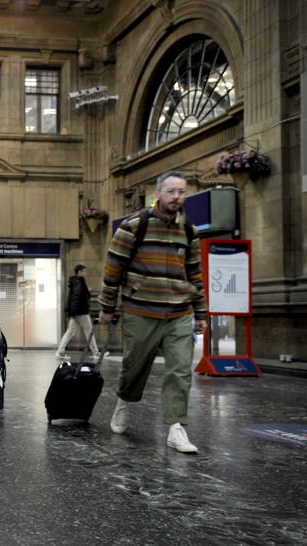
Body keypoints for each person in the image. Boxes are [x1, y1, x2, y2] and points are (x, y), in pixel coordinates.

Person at [98, 171, 207, 454]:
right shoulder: (135, 226)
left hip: (179, 312)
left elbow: (195, 274)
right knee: (134, 365)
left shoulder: (189, 231)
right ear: (157, 193)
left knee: (181, 370)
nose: (177, 197)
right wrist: (107, 308)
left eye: (182, 192)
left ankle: (176, 428)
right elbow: (113, 270)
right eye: (171, 191)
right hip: (141, 309)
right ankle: (124, 401)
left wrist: (201, 313)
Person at [55, 264, 99, 360]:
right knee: (89, 331)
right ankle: (96, 353)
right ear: (79, 272)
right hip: (81, 312)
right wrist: (74, 311)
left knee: (70, 332)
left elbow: (77, 295)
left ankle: (60, 352)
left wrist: (87, 291)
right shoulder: (79, 282)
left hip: (76, 312)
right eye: (84, 271)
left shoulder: (76, 282)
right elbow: (76, 297)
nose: (86, 273)